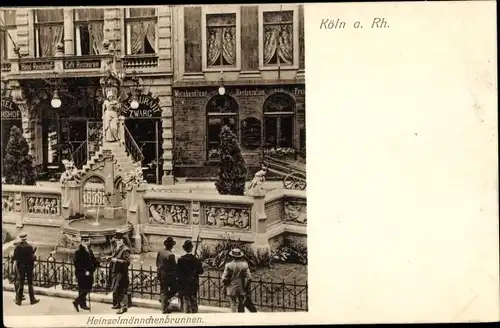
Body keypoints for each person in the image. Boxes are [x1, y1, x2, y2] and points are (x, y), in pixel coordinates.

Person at [72, 234, 100, 312]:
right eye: (85, 241)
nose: (87, 242)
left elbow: (93, 260)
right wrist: (85, 271)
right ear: (81, 242)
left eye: (88, 240)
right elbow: (77, 264)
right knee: (83, 289)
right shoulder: (78, 251)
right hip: (82, 273)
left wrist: (98, 264)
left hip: (89, 272)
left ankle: (81, 304)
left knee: (87, 288)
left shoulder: (89, 250)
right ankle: (78, 302)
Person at [11, 232, 39, 306]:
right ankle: (32, 300)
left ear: (21, 238)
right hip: (29, 268)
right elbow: (32, 258)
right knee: (30, 284)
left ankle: (18, 301)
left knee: (21, 284)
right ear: (26, 238)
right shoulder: (29, 247)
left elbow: (14, 257)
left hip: (21, 268)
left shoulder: (17, 247)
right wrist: (35, 255)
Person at [221, 248, 252, 312]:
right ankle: (241, 318)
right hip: (242, 287)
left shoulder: (228, 265)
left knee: (233, 304)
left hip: (231, 287)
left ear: (232, 256)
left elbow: (224, 278)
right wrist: (246, 286)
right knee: (241, 303)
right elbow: (249, 278)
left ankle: (234, 319)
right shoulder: (245, 265)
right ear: (240, 256)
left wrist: (225, 284)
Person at [177, 240, 204, 313]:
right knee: (193, 300)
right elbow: (201, 271)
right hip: (193, 284)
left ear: (184, 249)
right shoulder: (195, 259)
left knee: (185, 301)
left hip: (184, 284)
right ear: (191, 248)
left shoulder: (181, 260)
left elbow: (178, 272)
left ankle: (187, 316)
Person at [109, 232, 131, 314]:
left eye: (120, 240)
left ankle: (123, 307)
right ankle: (118, 304)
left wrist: (117, 260)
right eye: (117, 240)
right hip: (115, 270)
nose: (118, 241)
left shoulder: (125, 250)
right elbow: (114, 256)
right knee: (116, 288)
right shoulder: (116, 247)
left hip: (122, 272)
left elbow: (127, 262)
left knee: (122, 289)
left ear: (123, 240)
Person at [156, 236, 178, 314]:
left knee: (163, 290)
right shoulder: (171, 255)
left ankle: (163, 300)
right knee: (175, 288)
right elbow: (174, 267)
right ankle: (164, 309)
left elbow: (157, 263)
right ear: (171, 245)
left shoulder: (160, 251)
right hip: (168, 276)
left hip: (160, 274)